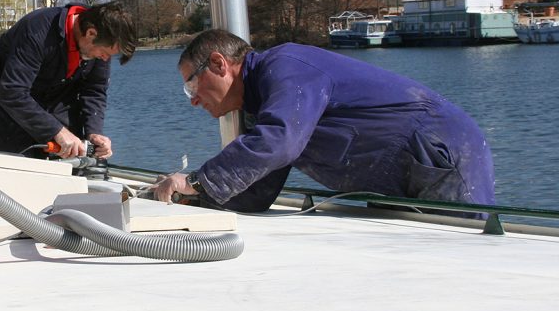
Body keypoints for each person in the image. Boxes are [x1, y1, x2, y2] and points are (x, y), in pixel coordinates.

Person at [154, 29, 496, 215]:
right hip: (393, 174)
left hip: (438, 150)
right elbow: (257, 191)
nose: (195, 100)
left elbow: (279, 142)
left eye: (191, 85)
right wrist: (191, 199)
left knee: (464, 253)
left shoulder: (287, 66)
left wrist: (197, 181)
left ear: (218, 64)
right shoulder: (263, 107)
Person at [0, 1, 137, 159]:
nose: (105, 59)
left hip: (59, 95)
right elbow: (12, 92)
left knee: (73, 152)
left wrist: (94, 132)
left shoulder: (100, 40)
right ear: (91, 33)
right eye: (105, 53)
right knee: (19, 164)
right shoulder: (38, 29)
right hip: (8, 98)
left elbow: (94, 90)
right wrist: (56, 130)